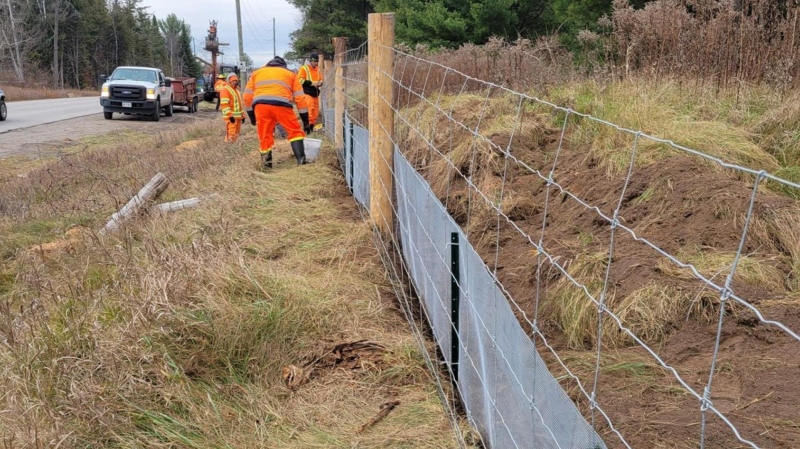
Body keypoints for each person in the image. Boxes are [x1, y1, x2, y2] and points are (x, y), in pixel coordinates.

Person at [243, 56, 307, 169]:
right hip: (282, 105)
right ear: (283, 66)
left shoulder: (257, 73)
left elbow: (247, 97)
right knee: (295, 132)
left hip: (261, 106)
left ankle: (266, 167)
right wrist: (305, 120)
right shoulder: (291, 74)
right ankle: (301, 162)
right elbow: (300, 98)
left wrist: (252, 117)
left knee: (264, 136)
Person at [297, 52, 323, 134]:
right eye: (314, 61)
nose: (315, 63)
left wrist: (320, 82)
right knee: (309, 111)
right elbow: (300, 80)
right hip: (307, 93)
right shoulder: (304, 68)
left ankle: (311, 128)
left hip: (315, 93)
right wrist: (312, 83)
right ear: (311, 61)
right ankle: (307, 129)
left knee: (315, 112)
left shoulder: (317, 69)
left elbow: (321, 79)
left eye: (316, 62)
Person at [219, 73, 244, 142]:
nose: (235, 82)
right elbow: (224, 104)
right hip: (231, 118)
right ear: (229, 81)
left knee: (236, 133)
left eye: (236, 81)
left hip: (238, 118)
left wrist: (243, 116)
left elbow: (239, 104)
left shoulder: (237, 91)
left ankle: (233, 146)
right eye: (233, 81)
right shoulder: (225, 90)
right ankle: (229, 146)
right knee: (231, 133)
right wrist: (230, 116)